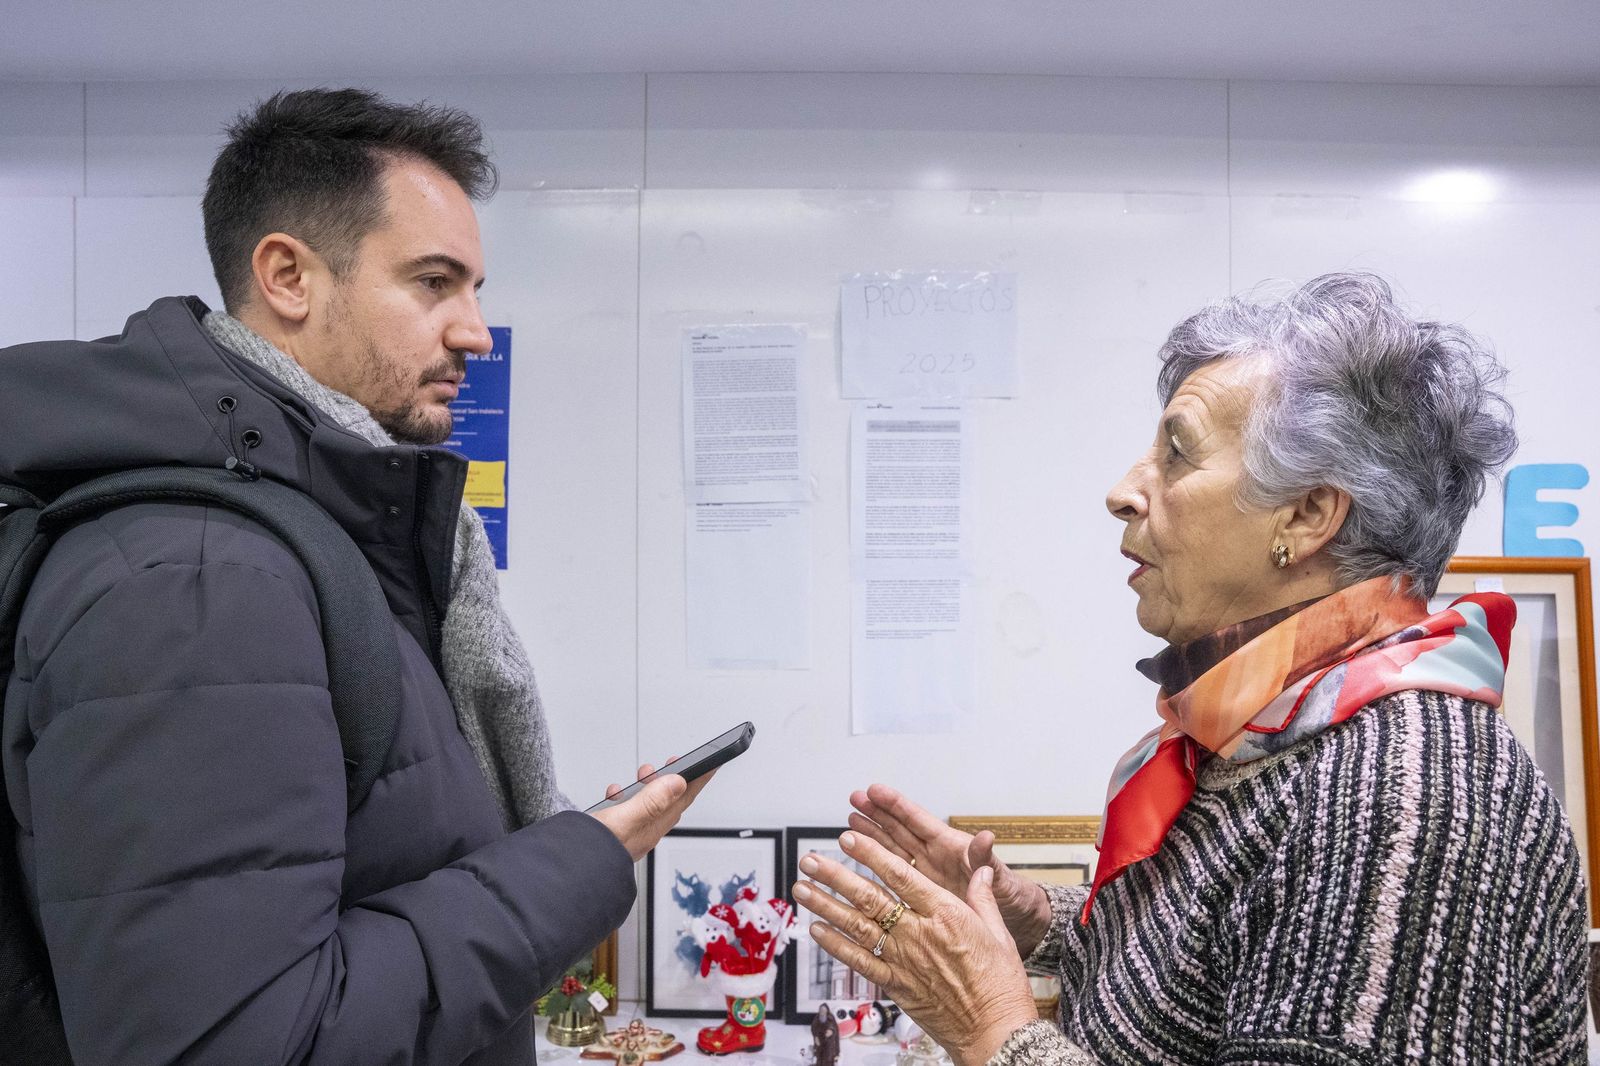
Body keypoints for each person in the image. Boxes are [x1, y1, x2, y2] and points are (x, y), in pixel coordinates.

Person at [0, 88, 705, 1064]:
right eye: (433, 282)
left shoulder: (311, 546)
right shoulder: (198, 582)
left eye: (474, 288)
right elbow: (238, 1043)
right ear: (288, 276)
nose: (475, 331)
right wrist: (574, 866)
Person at [793, 274, 1588, 1064]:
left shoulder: (1402, 796)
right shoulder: (1275, 728)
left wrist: (991, 1029)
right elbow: (1226, 957)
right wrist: (1036, 920)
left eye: (1177, 455)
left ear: (1307, 515)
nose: (1122, 492)